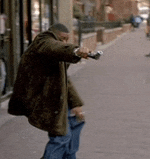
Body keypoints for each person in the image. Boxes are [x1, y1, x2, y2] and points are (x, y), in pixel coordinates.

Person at [8, 23, 92, 159]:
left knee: (76, 124)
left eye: (67, 39)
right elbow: (54, 46)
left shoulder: (56, 53)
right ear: (54, 34)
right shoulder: (43, 40)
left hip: (56, 97)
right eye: (62, 38)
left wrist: (75, 103)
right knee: (62, 137)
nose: (64, 41)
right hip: (44, 98)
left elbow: (65, 80)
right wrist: (75, 51)